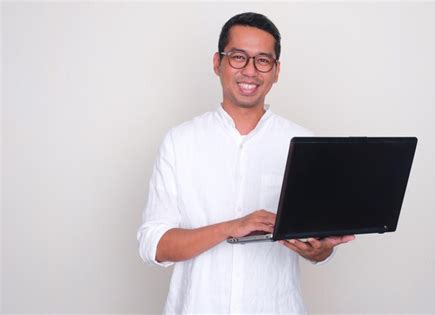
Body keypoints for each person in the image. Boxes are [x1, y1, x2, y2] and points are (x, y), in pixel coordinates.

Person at [137, 12, 355, 314]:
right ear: (218, 63)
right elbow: (155, 245)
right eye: (238, 57)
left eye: (263, 60)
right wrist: (233, 227)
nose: (250, 71)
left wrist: (321, 250)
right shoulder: (180, 142)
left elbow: (318, 246)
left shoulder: (303, 142)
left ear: (276, 71)